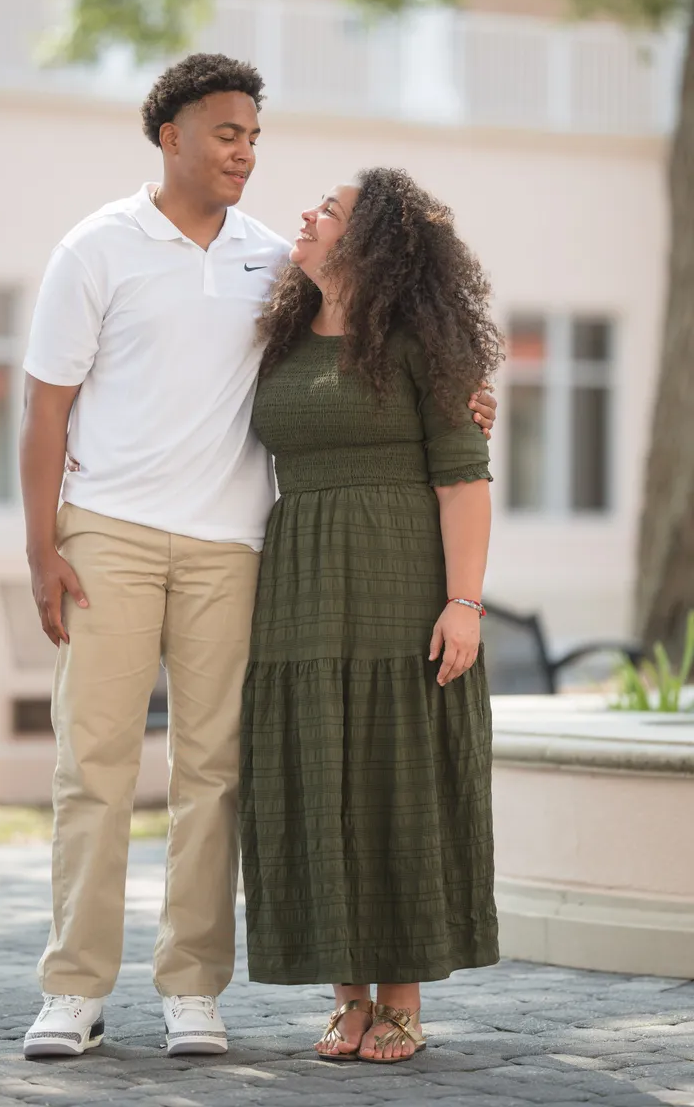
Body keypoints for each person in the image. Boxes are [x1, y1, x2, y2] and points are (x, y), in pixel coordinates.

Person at [19, 52, 498, 1060]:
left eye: (253, 136)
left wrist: (465, 405)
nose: (244, 152)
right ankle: (73, 989)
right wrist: (42, 549)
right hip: (110, 528)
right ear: (172, 136)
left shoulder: (272, 256)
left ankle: (192, 988)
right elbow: (46, 406)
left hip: (235, 545)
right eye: (226, 132)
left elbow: (387, 336)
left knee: (216, 775)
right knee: (93, 767)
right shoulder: (97, 246)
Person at [240, 168, 502, 1065]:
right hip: (300, 587)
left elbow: (466, 477)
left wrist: (463, 603)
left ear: (374, 241)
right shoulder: (276, 334)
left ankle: (401, 998)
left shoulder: (427, 341)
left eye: (332, 210)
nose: (308, 215)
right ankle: (345, 995)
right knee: (318, 775)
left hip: (402, 580)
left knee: (399, 780)